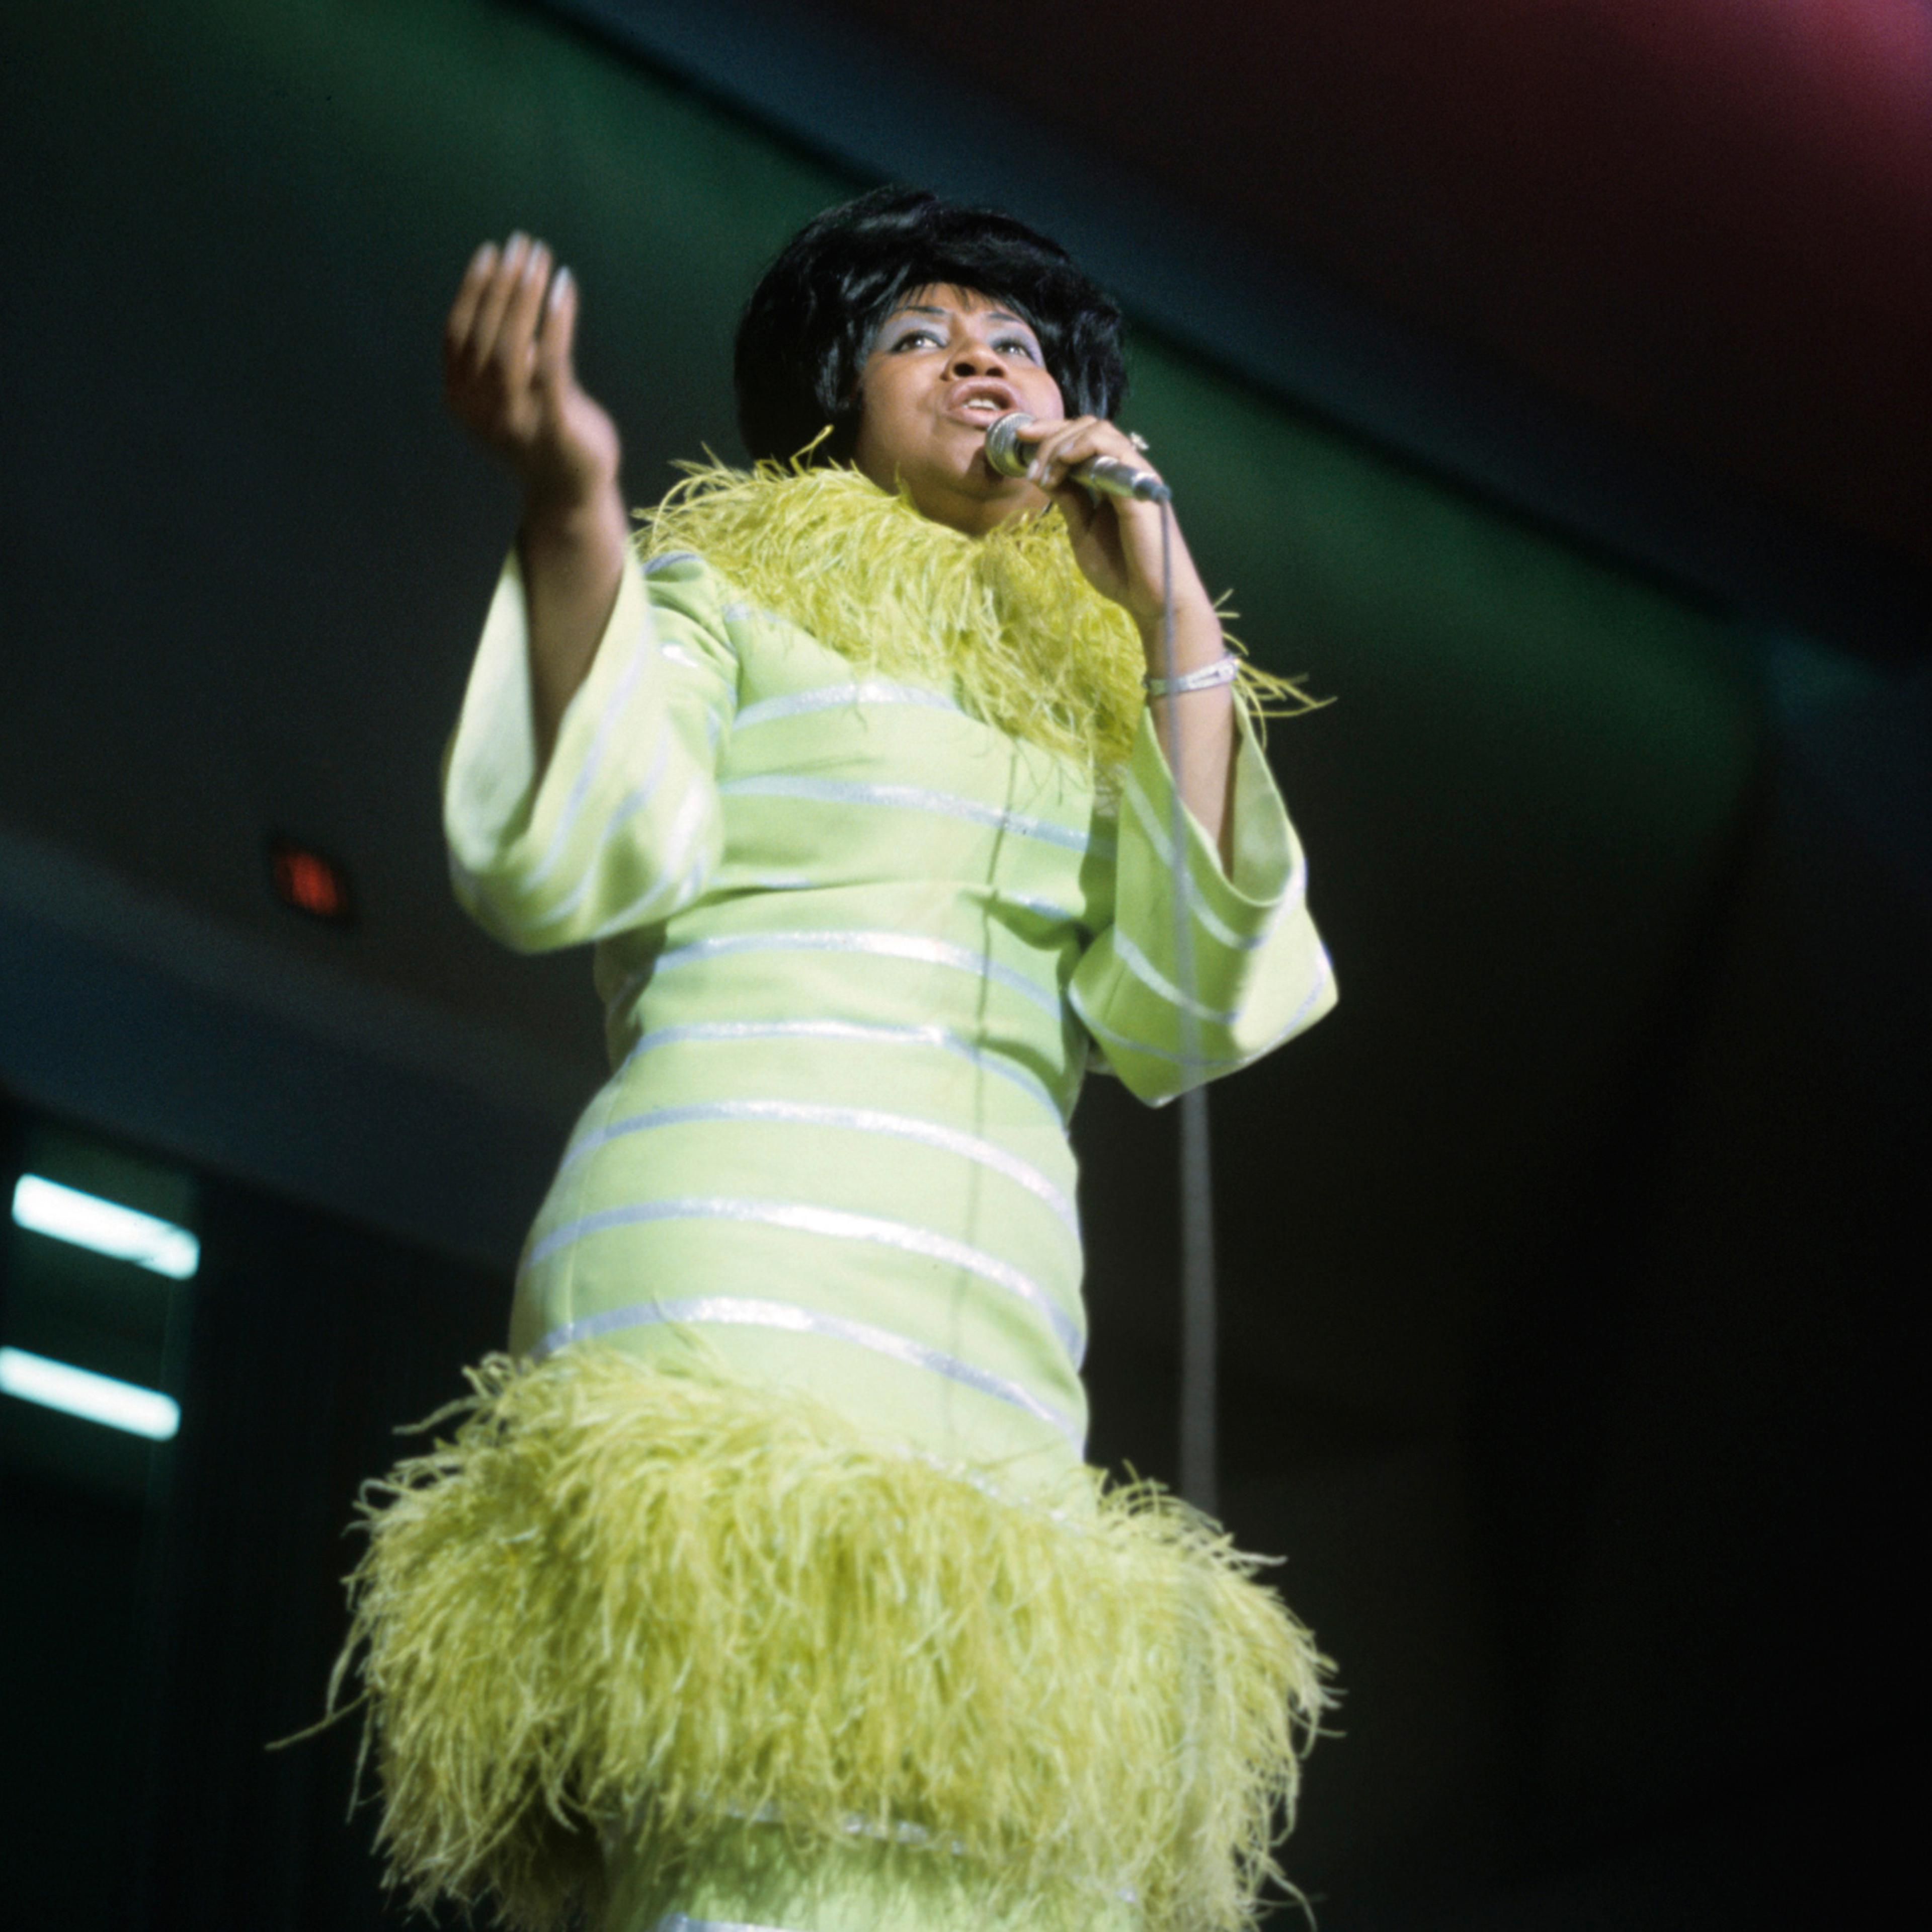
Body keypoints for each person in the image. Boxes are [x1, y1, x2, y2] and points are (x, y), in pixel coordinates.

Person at [338, 188, 1338, 1932]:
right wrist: (573, 502)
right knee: (742, 1846)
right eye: (916, 334)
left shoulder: (1102, 668)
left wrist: (1170, 614)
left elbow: (1182, 1002)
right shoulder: (737, 582)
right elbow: (578, 848)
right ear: (837, 395)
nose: (975, 359)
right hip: (739, 1259)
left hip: (991, 1325)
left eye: (1013, 342)